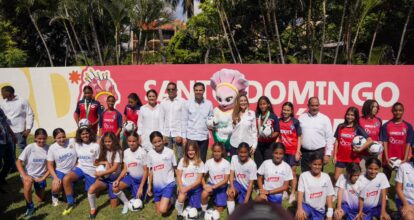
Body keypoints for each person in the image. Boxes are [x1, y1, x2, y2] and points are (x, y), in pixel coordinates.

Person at [62, 126, 100, 216]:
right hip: (80, 168)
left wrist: (99, 173)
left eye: (87, 133)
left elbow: (99, 160)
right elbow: (63, 139)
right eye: (83, 134)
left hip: (91, 170)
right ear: (79, 135)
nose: (85, 135)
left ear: (90, 133)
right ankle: (71, 202)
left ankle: (98, 186)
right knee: (66, 178)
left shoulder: (96, 145)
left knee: (91, 192)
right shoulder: (77, 144)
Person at [87, 132, 122, 219]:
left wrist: (101, 173)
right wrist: (105, 162)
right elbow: (95, 162)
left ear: (114, 141)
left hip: (114, 178)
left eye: (109, 141)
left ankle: (114, 191)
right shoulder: (103, 150)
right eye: (105, 141)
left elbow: (114, 169)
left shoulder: (118, 151)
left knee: (114, 205)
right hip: (105, 177)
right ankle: (93, 209)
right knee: (91, 189)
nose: (107, 143)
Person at [16, 128, 49, 218]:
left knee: (40, 199)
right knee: (28, 183)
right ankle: (30, 206)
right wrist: (25, 176)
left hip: (40, 176)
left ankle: (34, 192)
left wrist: (43, 178)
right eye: (39, 138)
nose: (41, 141)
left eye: (43, 138)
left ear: (46, 138)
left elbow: (51, 167)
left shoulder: (49, 148)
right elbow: (18, 162)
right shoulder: (30, 147)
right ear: (35, 138)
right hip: (28, 175)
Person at [333, 106, 372, 183]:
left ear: (355, 117)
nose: (349, 117)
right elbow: (337, 141)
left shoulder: (358, 128)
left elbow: (370, 140)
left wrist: (360, 149)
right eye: (348, 114)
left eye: (352, 115)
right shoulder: (340, 126)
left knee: (353, 179)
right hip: (341, 157)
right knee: (336, 178)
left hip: (353, 158)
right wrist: (334, 155)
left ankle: (350, 193)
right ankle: (339, 191)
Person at [113, 133, 148, 214]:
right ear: (127, 141)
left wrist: (141, 187)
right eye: (129, 141)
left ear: (138, 141)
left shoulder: (143, 152)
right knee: (115, 187)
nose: (131, 143)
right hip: (130, 177)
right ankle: (126, 203)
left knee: (139, 201)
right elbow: (125, 169)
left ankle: (138, 191)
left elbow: (146, 171)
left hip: (140, 180)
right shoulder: (125, 152)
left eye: (134, 141)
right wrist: (118, 180)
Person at [298, 97, 334, 172]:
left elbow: (329, 138)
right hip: (304, 152)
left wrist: (327, 154)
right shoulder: (301, 117)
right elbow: (298, 136)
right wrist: (298, 150)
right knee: (305, 175)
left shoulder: (325, 119)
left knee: (317, 175)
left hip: (319, 152)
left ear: (319, 105)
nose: (315, 108)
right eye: (312, 105)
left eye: (317, 105)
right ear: (308, 105)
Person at [295, 153, 334, 220]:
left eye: (319, 165)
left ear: (322, 165)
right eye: (315, 164)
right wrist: (299, 208)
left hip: (319, 210)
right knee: (300, 216)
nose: (317, 167)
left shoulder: (326, 177)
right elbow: (300, 193)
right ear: (310, 164)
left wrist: (330, 213)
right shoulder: (304, 176)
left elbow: (329, 195)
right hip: (307, 206)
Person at [147, 131, 177, 216]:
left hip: (169, 183)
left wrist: (180, 184)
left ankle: (172, 199)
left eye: (159, 141)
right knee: (158, 212)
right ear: (152, 143)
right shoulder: (150, 154)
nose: (158, 144)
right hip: (157, 186)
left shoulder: (170, 152)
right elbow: (151, 171)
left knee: (163, 210)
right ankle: (170, 198)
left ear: (163, 140)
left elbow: (176, 169)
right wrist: (149, 186)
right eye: (155, 142)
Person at [381, 102, 413, 179]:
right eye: (395, 110)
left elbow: (408, 143)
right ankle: (385, 191)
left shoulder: (408, 126)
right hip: (389, 159)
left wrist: (405, 159)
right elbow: (385, 142)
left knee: (401, 180)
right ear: (392, 111)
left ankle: (398, 191)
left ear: (403, 111)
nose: (397, 112)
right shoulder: (386, 126)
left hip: (402, 159)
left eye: (400, 110)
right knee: (385, 179)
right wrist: (386, 158)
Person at [182, 82, 213, 162]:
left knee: (202, 159)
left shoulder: (209, 104)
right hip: (191, 136)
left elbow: (211, 119)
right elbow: (184, 120)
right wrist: (184, 137)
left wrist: (212, 125)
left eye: (200, 90)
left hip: (203, 136)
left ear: (204, 91)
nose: (198, 92)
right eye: (196, 90)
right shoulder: (187, 103)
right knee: (191, 159)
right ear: (193, 91)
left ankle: (201, 174)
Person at [47, 128, 77, 207]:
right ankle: (54, 196)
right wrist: (55, 178)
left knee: (67, 196)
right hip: (60, 171)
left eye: (63, 137)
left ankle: (66, 188)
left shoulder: (72, 141)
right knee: (55, 188)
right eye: (59, 138)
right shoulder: (52, 148)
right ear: (54, 138)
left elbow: (83, 137)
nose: (62, 139)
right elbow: (49, 165)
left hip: (72, 171)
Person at [278, 101, 301, 203]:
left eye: (288, 110)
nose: (285, 112)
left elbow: (299, 137)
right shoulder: (278, 121)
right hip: (282, 152)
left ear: (291, 111)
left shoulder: (295, 122)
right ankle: (285, 191)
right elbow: (278, 136)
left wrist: (298, 152)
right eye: (284, 110)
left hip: (292, 151)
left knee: (293, 173)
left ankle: (292, 194)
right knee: (283, 172)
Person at [176, 141, 205, 219]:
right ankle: (179, 213)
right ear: (186, 151)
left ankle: (190, 200)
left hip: (196, 188)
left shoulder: (200, 163)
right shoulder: (182, 161)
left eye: (192, 150)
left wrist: (187, 188)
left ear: (196, 150)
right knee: (181, 196)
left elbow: (199, 180)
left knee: (196, 208)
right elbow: (178, 176)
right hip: (184, 186)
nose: (190, 152)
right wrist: (181, 187)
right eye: (188, 150)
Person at [227, 142, 257, 215]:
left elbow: (250, 184)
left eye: (245, 152)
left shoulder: (252, 165)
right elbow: (231, 174)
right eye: (240, 152)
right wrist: (232, 187)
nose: (242, 154)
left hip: (246, 188)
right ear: (237, 152)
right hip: (237, 183)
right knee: (230, 193)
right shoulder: (234, 158)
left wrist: (246, 199)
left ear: (248, 152)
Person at [0, 86, 34, 150]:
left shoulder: (22, 101)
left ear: (8, 92)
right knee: (10, 149)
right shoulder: (2, 103)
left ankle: (27, 160)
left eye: (2, 92)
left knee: (23, 148)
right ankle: (13, 160)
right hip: (8, 131)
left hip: (20, 131)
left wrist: (28, 129)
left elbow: (30, 114)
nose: (1, 94)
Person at [158, 82, 186, 160]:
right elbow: (161, 119)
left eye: (173, 89)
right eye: (169, 89)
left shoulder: (182, 101)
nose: (171, 91)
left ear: (176, 90)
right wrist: (162, 135)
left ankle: (180, 171)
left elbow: (184, 119)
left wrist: (181, 134)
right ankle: (170, 172)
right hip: (166, 134)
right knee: (167, 157)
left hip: (178, 134)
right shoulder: (163, 102)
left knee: (180, 157)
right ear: (166, 90)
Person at [201, 143, 230, 213]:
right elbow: (202, 176)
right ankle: (203, 211)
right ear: (212, 152)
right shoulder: (208, 162)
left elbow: (226, 180)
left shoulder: (226, 163)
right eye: (215, 151)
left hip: (221, 187)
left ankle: (218, 198)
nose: (216, 153)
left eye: (218, 151)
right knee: (204, 193)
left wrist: (214, 187)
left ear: (222, 152)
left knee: (219, 209)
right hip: (211, 184)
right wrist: (204, 185)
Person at [255, 96, 280, 168]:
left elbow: (277, 131)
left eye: (264, 104)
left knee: (268, 165)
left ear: (268, 104)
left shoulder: (273, 116)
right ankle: (259, 179)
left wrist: (270, 136)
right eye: (260, 104)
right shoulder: (256, 116)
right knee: (258, 165)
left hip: (269, 145)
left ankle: (267, 179)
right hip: (258, 144)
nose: (262, 106)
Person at [359, 99, 382, 171]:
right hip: (362, 153)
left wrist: (380, 152)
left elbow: (380, 138)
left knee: (373, 175)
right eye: (373, 107)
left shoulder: (378, 120)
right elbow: (356, 137)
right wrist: (366, 148)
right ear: (367, 107)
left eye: (376, 107)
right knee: (362, 174)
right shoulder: (359, 120)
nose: (375, 109)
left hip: (375, 154)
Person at [0, 107, 15, 185]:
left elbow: (5, 123)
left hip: (7, 140)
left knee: (9, 161)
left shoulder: (0, 110)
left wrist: (12, 135)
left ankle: (2, 177)